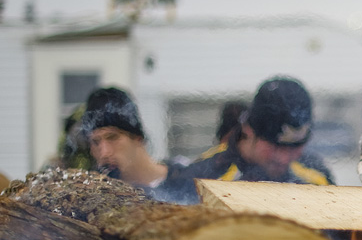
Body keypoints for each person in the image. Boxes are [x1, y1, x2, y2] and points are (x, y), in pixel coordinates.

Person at [170, 77, 334, 202]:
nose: (284, 158)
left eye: (294, 148)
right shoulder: (204, 178)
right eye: (274, 147)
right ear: (248, 130)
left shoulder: (316, 175)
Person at [77, 86, 178, 196]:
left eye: (112, 137)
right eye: (96, 142)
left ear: (138, 138)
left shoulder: (186, 180)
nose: (105, 153)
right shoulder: (93, 193)